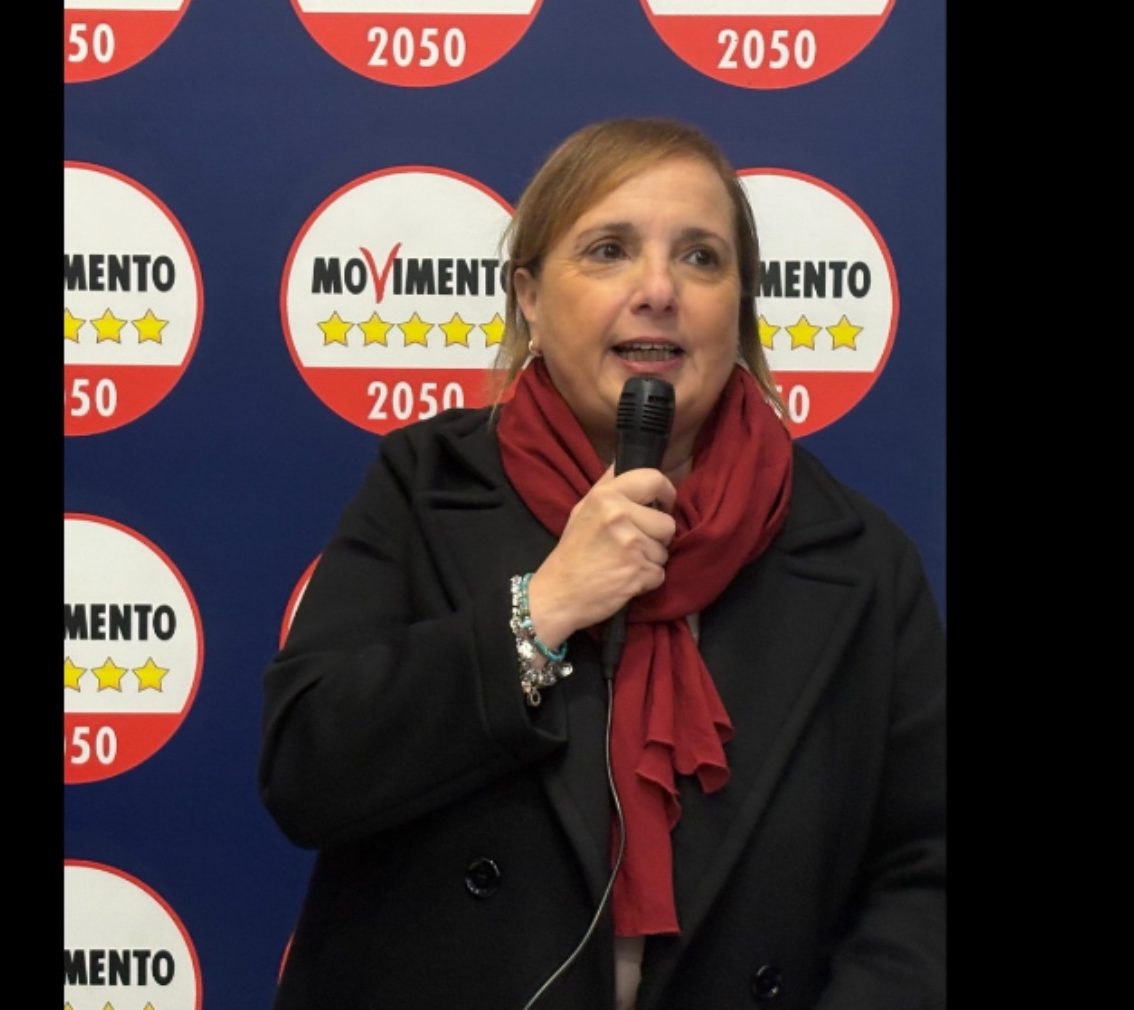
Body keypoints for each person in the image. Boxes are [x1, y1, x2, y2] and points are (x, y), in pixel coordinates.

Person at [259, 118, 946, 1009]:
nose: (658, 290)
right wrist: (539, 612)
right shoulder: (424, 486)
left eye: (701, 258)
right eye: (609, 250)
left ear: (740, 306)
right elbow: (307, 773)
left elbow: (925, 866)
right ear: (530, 298)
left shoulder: (857, 558)